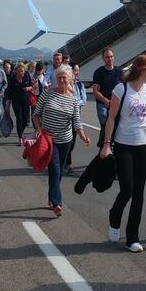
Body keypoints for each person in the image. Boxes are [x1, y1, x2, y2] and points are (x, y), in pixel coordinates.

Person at [102, 54, 146, 253]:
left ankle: (132, 237)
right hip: (124, 145)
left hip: (143, 145)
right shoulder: (121, 89)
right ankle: (114, 215)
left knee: (139, 194)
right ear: (142, 68)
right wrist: (107, 144)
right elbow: (111, 118)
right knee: (127, 189)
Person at [34, 66, 91, 216]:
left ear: (70, 79)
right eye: (59, 77)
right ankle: (57, 203)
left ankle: (52, 198)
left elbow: (76, 122)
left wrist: (83, 136)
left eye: (64, 77)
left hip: (65, 140)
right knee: (55, 169)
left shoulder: (73, 100)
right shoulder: (47, 93)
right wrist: (39, 128)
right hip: (49, 139)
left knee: (57, 174)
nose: (61, 80)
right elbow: (36, 114)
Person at [91, 47, 123, 127]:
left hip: (116, 104)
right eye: (107, 57)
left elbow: (125, 88)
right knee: (105, 128)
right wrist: (105, 100)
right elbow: (95, 91)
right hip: (103, 105)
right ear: (103, 58)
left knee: (117, 128)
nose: (110, 59)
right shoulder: (98, 72)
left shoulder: (119, 71)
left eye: (111, 56)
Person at [65, 64, 87, 174]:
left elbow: (84, 100)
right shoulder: (66, 85)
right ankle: (68, 164)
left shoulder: (80, 85)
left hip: (76, 116)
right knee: (68, 140)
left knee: (72, 141)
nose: (76, 72)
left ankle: (65, 160)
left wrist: (76, 102)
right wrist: (75, 102)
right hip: (67, 117)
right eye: (75, 70)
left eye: (78, 70)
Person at [6, 64, 34, 145]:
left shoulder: (27, 76)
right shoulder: (13, 79)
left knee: (25, 120)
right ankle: (20, 138)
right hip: (16, 101)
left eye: (22, 71)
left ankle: (21, 132)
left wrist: (28, 88)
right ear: (16, 71)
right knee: (19, 119)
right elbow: (9, 91)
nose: (21, 73)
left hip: (25, 100)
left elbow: (32, 86)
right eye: (19, 71)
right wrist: (8, 104)